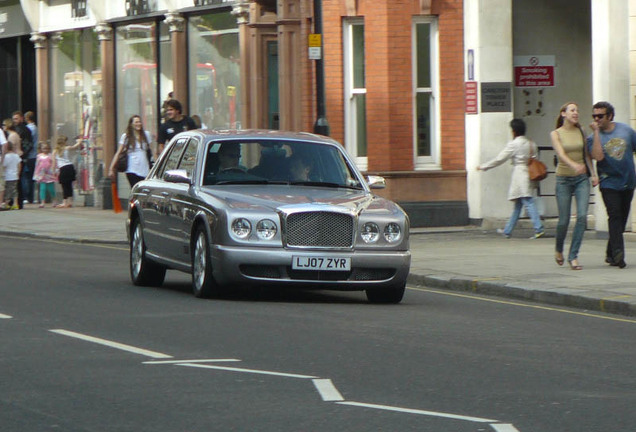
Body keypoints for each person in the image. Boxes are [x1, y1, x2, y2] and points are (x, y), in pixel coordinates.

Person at [477, 118, 545, 239]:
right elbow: (535, 157)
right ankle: (508, 230)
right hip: (529, 173)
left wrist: (484, 167)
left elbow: (500, 159)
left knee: (527, 201)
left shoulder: (514, 144)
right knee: (519, 204)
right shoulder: (531, 143)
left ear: (513, 131)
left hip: (519, 174)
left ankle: (539, 228)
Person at [550, 102, 598, 270]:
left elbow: (586, 155)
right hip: (563, 179)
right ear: (563, 114)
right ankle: (558, 249)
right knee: (563, 221)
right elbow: (561, 154)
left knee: (582, 217)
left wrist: (592, 173)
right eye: (572, 110)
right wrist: (573, 166)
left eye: (577, 110)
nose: (576, 113)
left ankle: (573, 256)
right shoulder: (556, 133)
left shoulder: (581, 131)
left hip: (581, 180)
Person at [588, 101, 636, 269]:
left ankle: (609, 253)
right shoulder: (593, 137)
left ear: (609, 116)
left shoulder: (627, 131)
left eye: (600, 116)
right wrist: (595, 132)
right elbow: (598, 157)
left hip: (628, 182)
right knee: (614, 215)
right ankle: (618, 254)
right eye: (594, 116)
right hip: (608, 182)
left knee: (622, 219)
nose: (596, 119)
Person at [109, 115, 153, 187]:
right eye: (136, 122)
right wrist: (111, 168)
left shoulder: (146, 135)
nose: (138, 124)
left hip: (145, 169)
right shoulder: (126, 136)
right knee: (135, 190)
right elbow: (118, 152)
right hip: (132, 169)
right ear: (131, 124)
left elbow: (152, 151)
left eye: (139, 122)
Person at [53, 135, 81, 208]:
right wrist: (79, 141)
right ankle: (70, 201)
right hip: (70, 167)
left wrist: (54, 171)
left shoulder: (55, 151)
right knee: (69, 186)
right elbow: (75, 146)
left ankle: (64, 202)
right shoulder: (66, 148)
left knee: (64, 186)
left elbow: (53, 162)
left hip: (63, 169)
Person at [12, 112, 32, 208]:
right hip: (17, 157)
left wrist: (23, 154)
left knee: (19, 179)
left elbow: (28, 144)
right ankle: (16, 200)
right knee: (16, 179)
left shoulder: (24, 130)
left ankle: (20, 200)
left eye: (16, 118)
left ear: (21, 119)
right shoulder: (16, 129)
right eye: (14, 119)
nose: (15, 120)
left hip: (20, 158)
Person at [33, 141, 57, 207]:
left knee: (51, 189)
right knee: (42, 189)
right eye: (44, 148)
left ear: (49, 149)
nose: (45, 150)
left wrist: (54, 170)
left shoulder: (50, 156)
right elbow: (37, 165)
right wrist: (36, 174)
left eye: (47, 148)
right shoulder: (39, 156)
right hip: (41, 174)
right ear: (41, 149)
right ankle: (42, 202)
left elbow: (54, 163)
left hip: (49, 174)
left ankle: (54, 200)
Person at [2, 141, 21, 210]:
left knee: (7, 190)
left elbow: (4, 166)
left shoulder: (6, 157)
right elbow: (19, 165)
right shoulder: (16, 156)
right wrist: (18, 173)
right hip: (15, 175)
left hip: (7, 176)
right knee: (14, 190)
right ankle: (15, 204)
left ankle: (6, 203)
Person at [24, 111, 39, 204]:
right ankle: (31, 196)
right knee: (31, 177)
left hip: (30, 155)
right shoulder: (35, 128)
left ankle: (28, 196)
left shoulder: (29, 129)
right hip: (34, 154)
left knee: (28, 177)